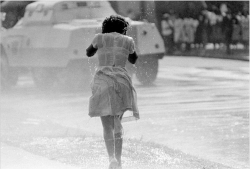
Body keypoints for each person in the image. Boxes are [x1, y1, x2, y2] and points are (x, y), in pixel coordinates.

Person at [86, 15, 140, 169]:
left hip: (103, 81)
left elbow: (89, 53)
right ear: (122, 29)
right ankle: (119, 160)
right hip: (122, 82)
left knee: (106, 125)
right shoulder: (128, 40)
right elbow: (133, 59)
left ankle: (111, 159)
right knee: (117, 123)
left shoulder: (99, 38)